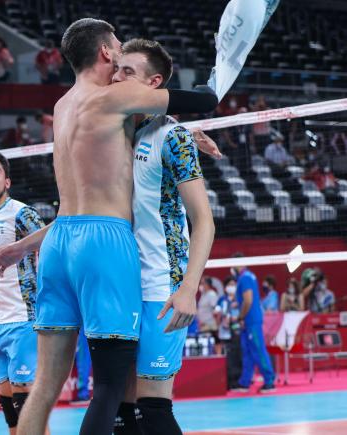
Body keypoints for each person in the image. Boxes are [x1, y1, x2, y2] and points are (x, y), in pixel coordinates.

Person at [0, 19, 217, 435]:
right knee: (111, 387)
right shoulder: (115, 98)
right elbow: (202, 99)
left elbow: (115, 154)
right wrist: (189, 116)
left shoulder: (61, 107)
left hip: (59, 242)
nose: (121, 67)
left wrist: (182, 133)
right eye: (118, 53)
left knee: (45, 386)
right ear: (107, 52)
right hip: (106, 243)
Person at [109, 39, 216, 435]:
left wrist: (189, 287)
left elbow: (204, 220)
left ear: (154, 84)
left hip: (162, 286)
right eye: (117, 69)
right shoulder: (113, 131)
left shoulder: (172, 137)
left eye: (128, 72)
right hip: (120, 286)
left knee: (153, 407)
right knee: (120, 410)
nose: (117, 78)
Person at [0, 151, 46, 434]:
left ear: (7, 181)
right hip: (1, 323)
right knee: (10, 411)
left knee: (28, 410)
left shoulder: (21, 213)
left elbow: (51, 246)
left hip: (25, 320)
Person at [230, 257, 276, 393]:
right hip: (247, 321)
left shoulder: (244, 278)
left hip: (252, 321)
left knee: (258, 350)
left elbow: (248, 300)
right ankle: (244, 382)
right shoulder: (247, 277)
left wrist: (240, 316)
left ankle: (269, 381)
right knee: (247, 352)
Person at [214, 277, 242, 389]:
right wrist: (220, 318)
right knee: (229, 358)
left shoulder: (240, 299)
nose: (232, 287)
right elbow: (216, 313)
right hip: (225, 333)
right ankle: (230, 382)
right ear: (225, 287)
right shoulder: (222, 300)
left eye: (234, 284)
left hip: (238, 332)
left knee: (239, 357)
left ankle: (240, 380)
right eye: (230, 284)